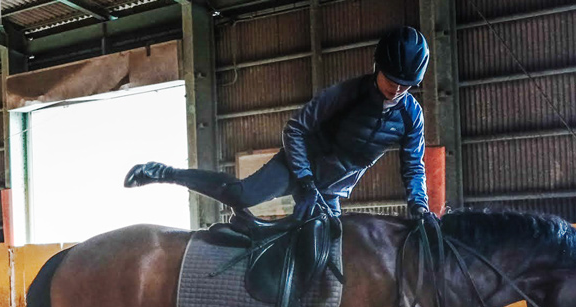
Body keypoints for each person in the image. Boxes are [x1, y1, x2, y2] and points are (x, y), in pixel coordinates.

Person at [124, 26, 438, 226]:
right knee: (243, 195)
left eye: (405, 85)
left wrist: (419, 205)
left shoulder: (411, 116)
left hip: (330, 190)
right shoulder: (347, 93)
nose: (397, 89)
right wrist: (303, 178)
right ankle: (165, 172)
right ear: (377, 66)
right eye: (391, 80)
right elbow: (295, 129)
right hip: (296, 168)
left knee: (330, 251)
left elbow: (413, 166)